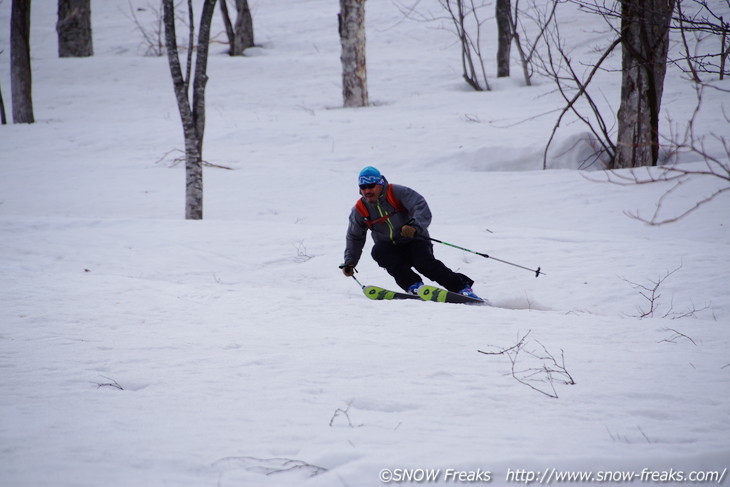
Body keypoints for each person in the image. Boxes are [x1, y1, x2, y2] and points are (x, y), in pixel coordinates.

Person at [341, 166, 482, 299]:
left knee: (424, 264)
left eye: (371, 186)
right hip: (391, 248)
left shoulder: (397, 192)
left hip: (415, 240)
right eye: (363, 187)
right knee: (379, 251)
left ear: (380, 183)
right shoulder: (360, 209)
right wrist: (350, 261)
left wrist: (414, 226)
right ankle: (413, 286)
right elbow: (354, 237)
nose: (367, 191)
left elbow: (420, 207)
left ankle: (462, 288)